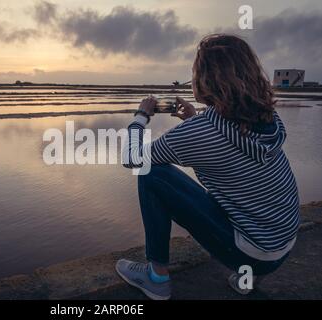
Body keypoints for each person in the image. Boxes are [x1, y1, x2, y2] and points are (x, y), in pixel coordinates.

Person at [117, 34, 300, 300]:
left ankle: (156, 278)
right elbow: (229, 140)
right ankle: (247, 279)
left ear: (205, 79)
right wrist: (195, 117)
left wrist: (141, 116)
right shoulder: (267, 117)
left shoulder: (205, 130)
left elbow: (132, 157)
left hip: (252, 254)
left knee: (151, 172)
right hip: (283, 246)